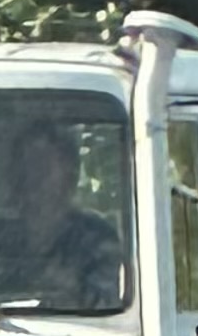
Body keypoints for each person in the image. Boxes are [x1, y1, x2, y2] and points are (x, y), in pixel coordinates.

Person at [9, 122, 125, 308]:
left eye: (43, 166)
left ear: (70, 176)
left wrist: (70, 286)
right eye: (24, 165)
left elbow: (106, 305)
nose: (31, 176)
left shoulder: (97, 240)